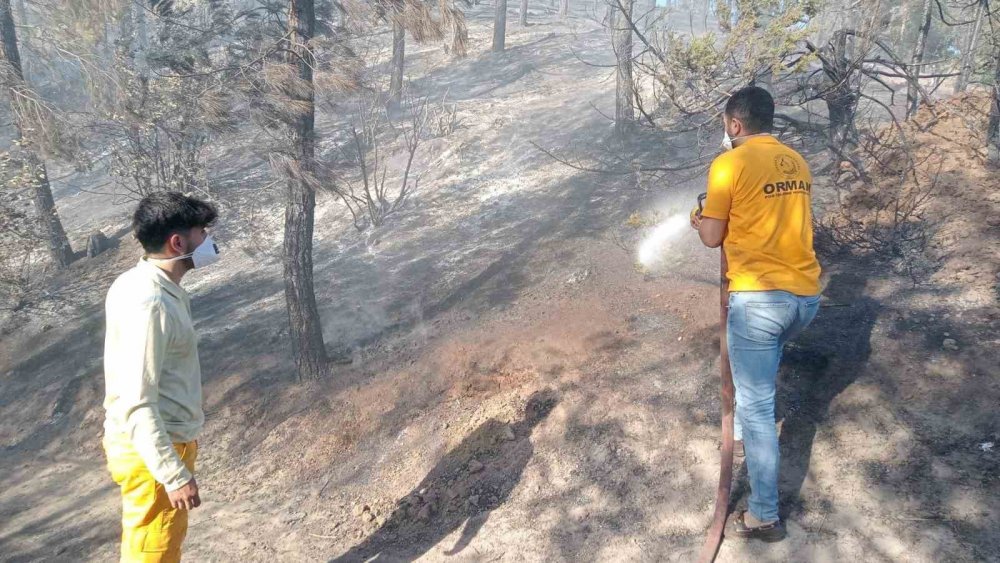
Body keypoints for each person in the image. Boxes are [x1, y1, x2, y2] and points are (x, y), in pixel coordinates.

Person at [690, 86, 821, 542]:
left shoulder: (729, 163)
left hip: (760, 303)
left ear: (735, 125)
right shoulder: (795, 161)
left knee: (760, 407)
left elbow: (711, 237)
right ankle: (741, 434)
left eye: (725, 126)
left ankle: (764, 514)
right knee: (756, 381)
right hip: (804, 298)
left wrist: (702, 217)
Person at [103, 191, 221, 562]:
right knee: (152, 553)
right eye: (202, 232)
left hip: (155, 445)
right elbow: (138, 402)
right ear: (177, 242)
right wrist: (173, 474)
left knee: (159, 547)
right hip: (154, 451)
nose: (209, 241)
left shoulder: (140, 284)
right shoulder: (150, 303)